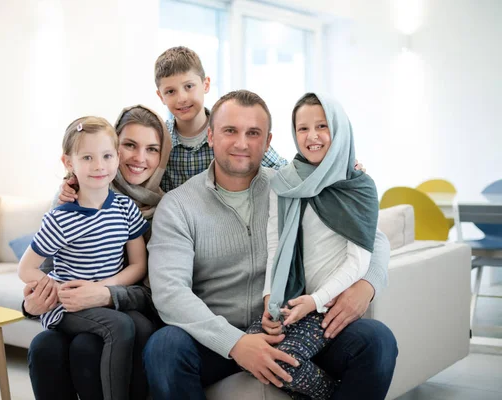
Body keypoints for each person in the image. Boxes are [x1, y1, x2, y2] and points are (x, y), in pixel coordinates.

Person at [144, 90, 397, 400]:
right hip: (215, 338)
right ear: (210, 135)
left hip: (292, 327)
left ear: (268, 142)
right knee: (164, 347)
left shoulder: (293, 187)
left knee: (376, 339)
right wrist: (236, 343)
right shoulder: (178, 205)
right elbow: (170, 293)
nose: (241, 143)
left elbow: (374, 238)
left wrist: (367, 286)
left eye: (253, 133)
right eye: (230, 131)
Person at [24, 106, 171, 400]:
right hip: (74, 304)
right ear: (70, 163)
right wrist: (36, 301)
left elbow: (145, 275)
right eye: (130, 145)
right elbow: (38, 269)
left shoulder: (160, 208)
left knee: (125, 331)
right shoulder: (65, 205)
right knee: (45, 347)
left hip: (130, 303)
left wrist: (103, 291)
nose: (139, 158)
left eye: (152, 149)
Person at [246, 93, 380, 400]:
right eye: (302, 128)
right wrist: (271, 297)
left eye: (322, 126)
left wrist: (316, 300)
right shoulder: (286, 181)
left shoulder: (359, 185)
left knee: (283, 364)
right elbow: (275, 244)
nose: (312, 136)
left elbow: (359, 261)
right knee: (250, 353)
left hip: (328, 304)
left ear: (339, 130)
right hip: (292, 300)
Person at [154, 46, 288, 192]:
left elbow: (282, 171)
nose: (182, 98)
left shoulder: (231, 130)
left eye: (189, 86)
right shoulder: (159, 138)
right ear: (161, 96)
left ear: (205, 85)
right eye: (170, 91)